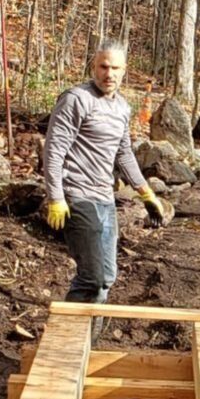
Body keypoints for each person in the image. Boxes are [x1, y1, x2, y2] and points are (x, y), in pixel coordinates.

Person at [43, 41, 168, 321]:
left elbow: (123, 153)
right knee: (91, 277)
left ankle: (88, 341)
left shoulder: (122, 107)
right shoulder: (76, 99)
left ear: (124, 72)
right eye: (103, 66)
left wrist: (146, 194)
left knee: (107, 278)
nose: (108, 74)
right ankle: (65, 340)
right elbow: (53, 150)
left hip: (105, 198)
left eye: (115, 68)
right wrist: (56, 198)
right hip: (77, 196)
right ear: (93, 67)